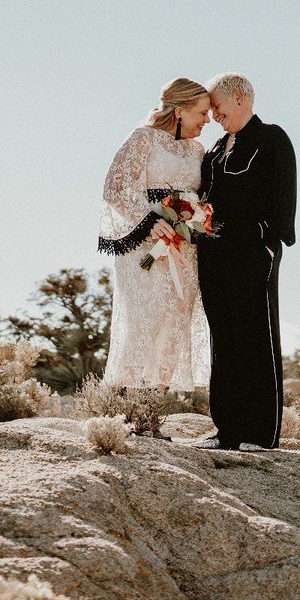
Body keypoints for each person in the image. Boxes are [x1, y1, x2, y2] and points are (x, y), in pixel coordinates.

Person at [194, 72, 296, 451]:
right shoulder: (214, 150)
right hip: (212, 255)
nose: (214, 115)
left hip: (253, 253)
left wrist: (267, 240)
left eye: (217, 107)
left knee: (255, 336)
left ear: (239, 97)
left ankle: (260, 433)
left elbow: (284, 200)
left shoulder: (271, 138)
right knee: (223, 339)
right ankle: (227, 430)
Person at [97, 78, 213, 392]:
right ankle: (129, 399)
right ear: (180, 111)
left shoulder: (198, 150)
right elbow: (115, 187)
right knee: (145, 318)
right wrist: (150, 221)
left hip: (184, 249)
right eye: (202, 113)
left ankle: (155, 401)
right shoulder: (143, 139)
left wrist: (196, 216)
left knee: (176, 319)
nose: (207, 120)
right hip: (145, 250)